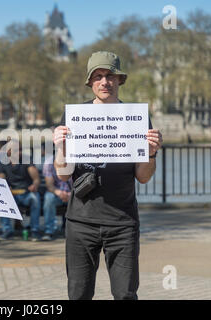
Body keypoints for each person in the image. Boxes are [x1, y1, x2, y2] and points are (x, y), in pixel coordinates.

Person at [53, 51, 163, 300]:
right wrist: (60, 147)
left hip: (122, 222)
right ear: (90, 82)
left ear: (120, 80)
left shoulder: (136, 118)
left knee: (125, 294)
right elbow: (62, 175)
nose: (105, 82)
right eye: (98, 76)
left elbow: (143, 177)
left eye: (110, 76)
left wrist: (152, 154)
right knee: (78, 294)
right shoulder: (73, 117)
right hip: (81, 222)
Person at [0, 140, 42, 241]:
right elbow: (0, 179)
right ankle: (7, 231)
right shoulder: (2, 163)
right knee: (3, 199)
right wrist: (5, 187)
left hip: (26, 194)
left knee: (35, 198)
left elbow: (36, 178)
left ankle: (35, 230)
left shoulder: (26, 160)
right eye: (16, 150)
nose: (19, 152)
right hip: (11, 195)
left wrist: (34, 185)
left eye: (20, 149)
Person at [41, 155, 72, 241]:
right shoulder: (49, 162)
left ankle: (75, 231)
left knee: (81, 198)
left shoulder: (75, 160)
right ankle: (49, 230)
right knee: (49, 198)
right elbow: (49, 186)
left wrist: (71, 194)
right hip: (56, 193)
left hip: (74, 192)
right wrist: (59, 193)